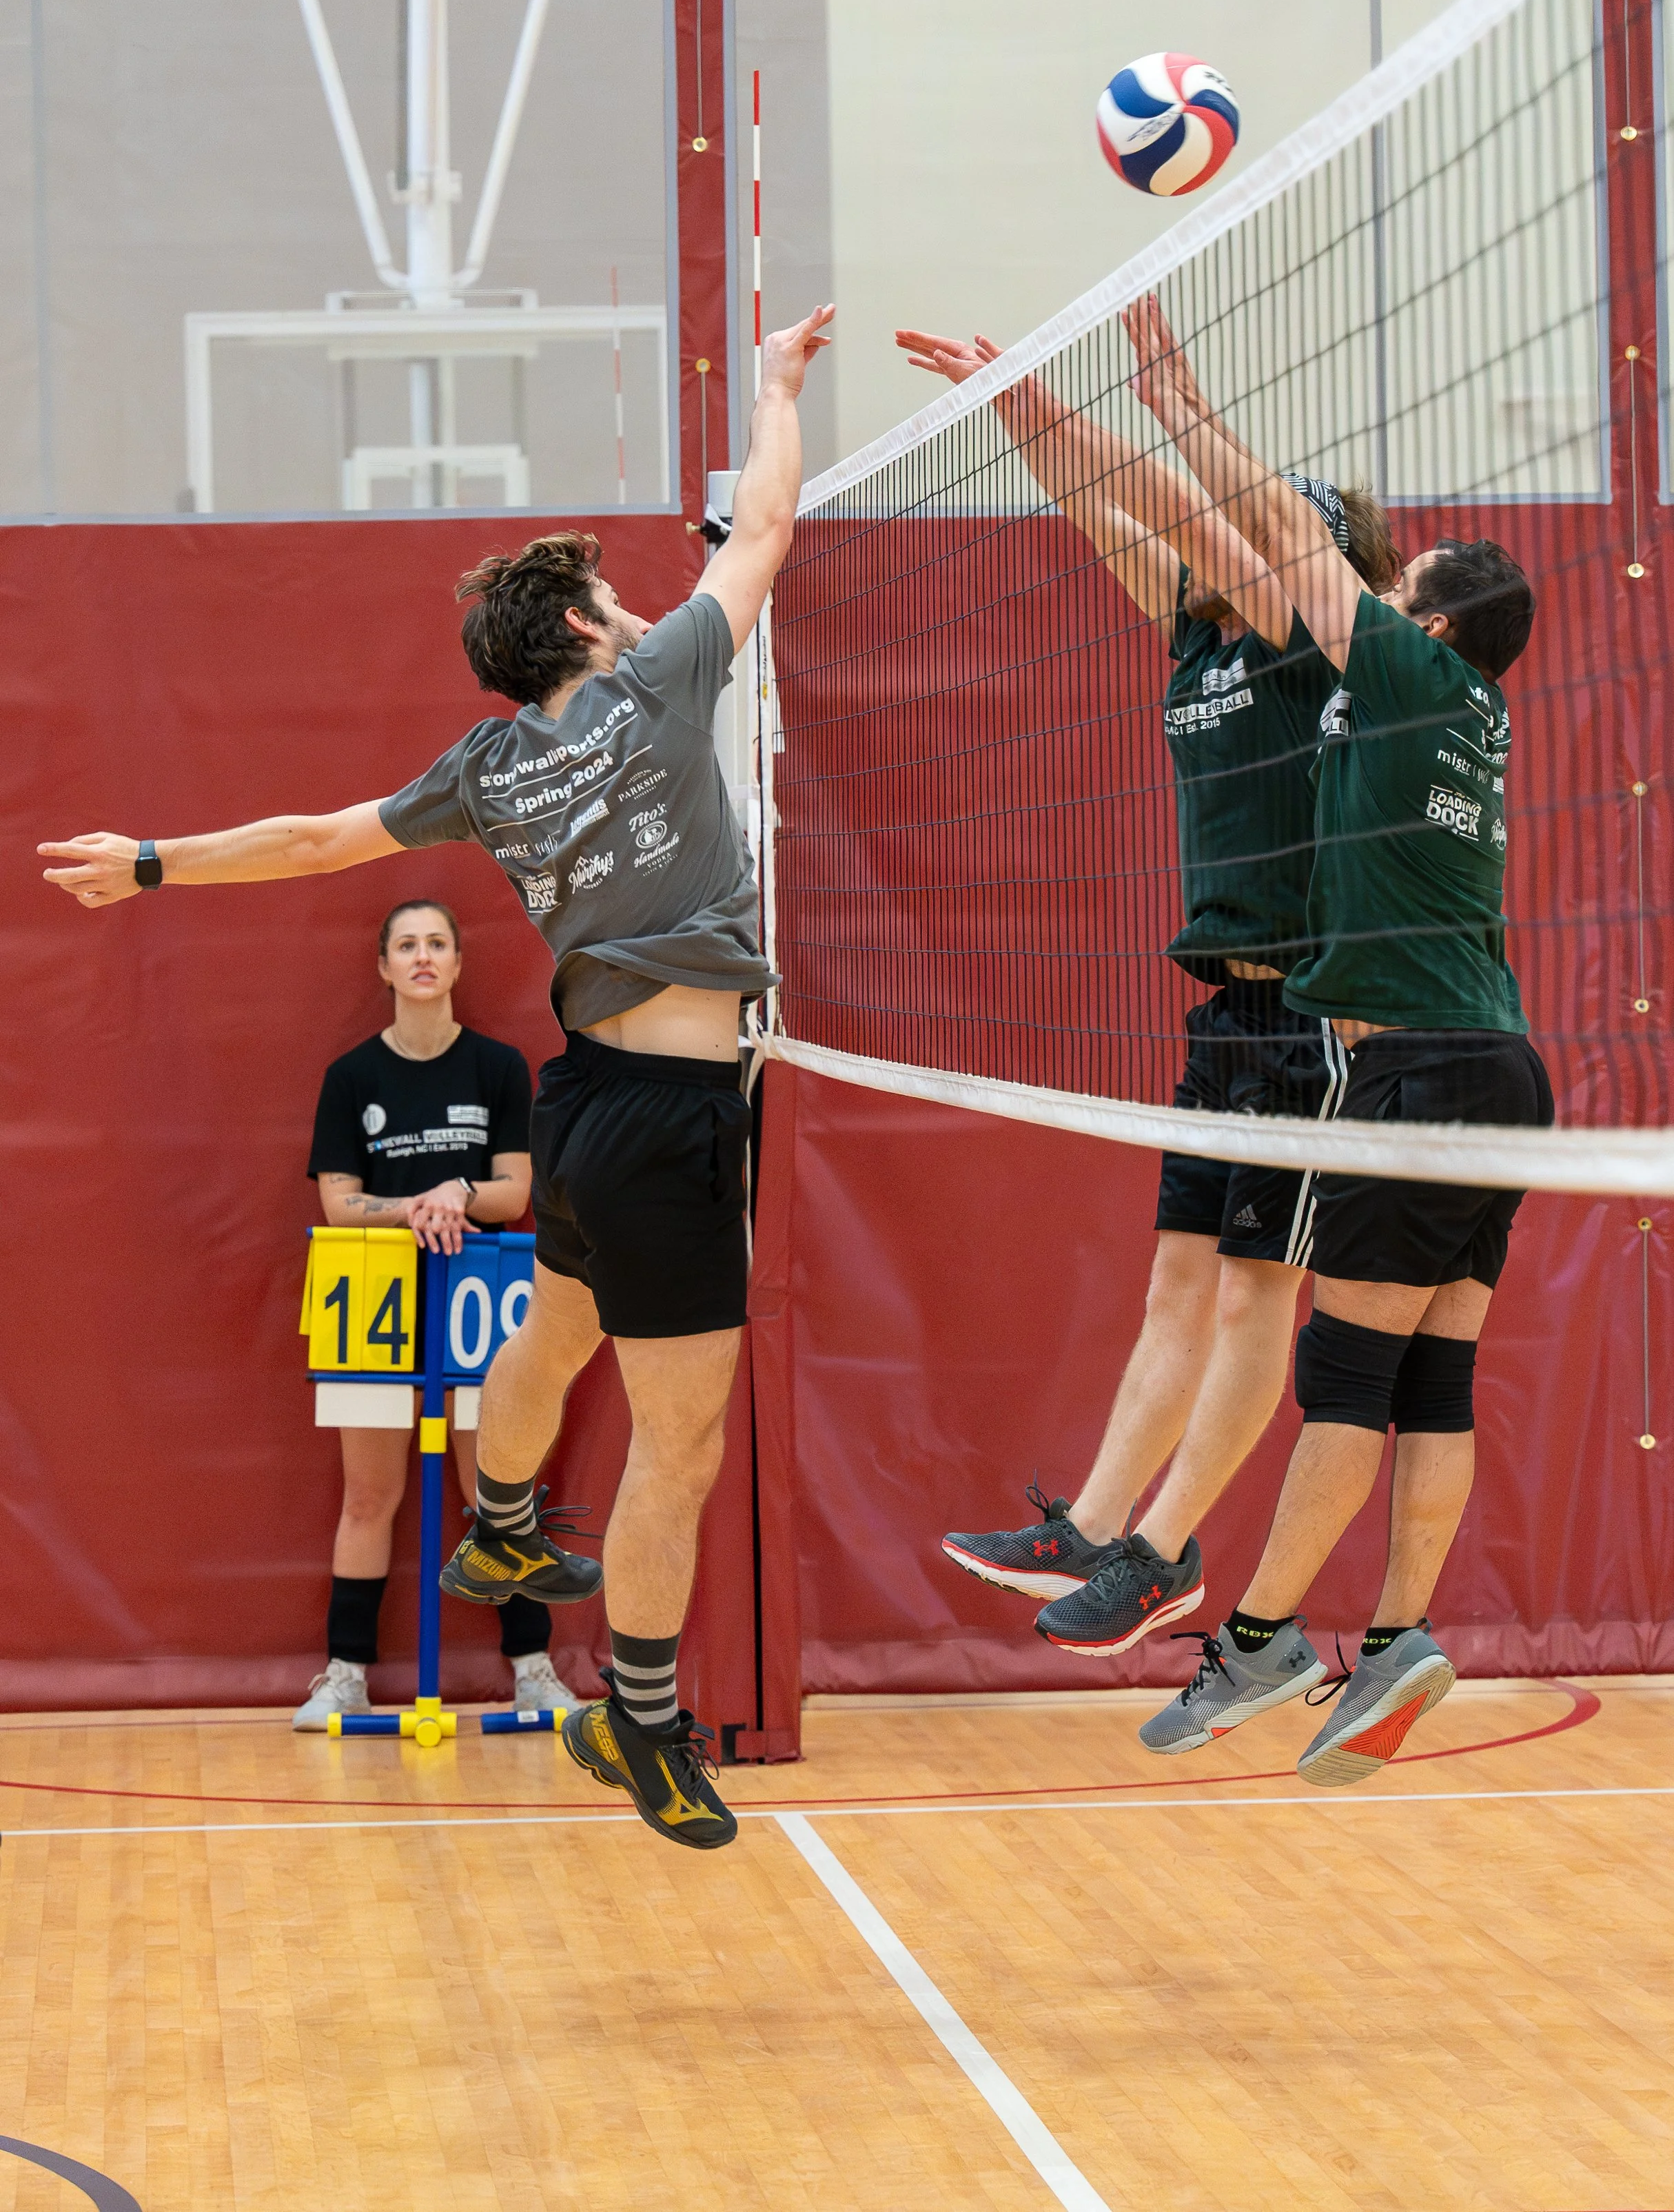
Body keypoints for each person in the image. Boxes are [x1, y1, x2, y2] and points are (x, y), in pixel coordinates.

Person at [41, 305, 833, 1852]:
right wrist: (779, 387)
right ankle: (645, 1713)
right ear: (596, 630)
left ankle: (501, 1524)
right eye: (614, 596)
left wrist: (147, 861)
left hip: (580, 1099)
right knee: (683, 1441)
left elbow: (313, 842)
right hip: (668, 1115)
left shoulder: (482, 767)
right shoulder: (660, 681)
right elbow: (769, 522)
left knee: (554, 1328)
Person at [895, 318, 1401, 1657]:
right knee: (1176, 1279)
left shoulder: (1310, 640)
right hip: (1225, 1015)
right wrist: (1016, 405)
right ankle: (1095, 1519)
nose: (1216, 537)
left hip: (1311, 1011)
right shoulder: (1196, 636)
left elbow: (1186, 497)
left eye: (1253, 521)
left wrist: (1167, 407)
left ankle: (1162, 1554)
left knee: (1251, 1295)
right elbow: (1092, 502)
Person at [1121, 303, 1548, 1783]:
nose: (1374, 585)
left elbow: (1291, 550)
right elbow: (1270, 565)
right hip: (1499, 1069)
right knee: (1431, 1381)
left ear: (1423, 621)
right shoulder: (1467, 709)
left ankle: (1256, 1637)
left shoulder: (1412, 676)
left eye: (1400, 583)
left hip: (1412, 1070)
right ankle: (1405, 1632)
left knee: (1341, 1381)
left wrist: (1177, 402)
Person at [293, 897, 575, 1732]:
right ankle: (344, 1672)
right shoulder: (351, 1078)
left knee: (498, 1491)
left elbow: (516, 1191)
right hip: (371, 1289)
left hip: (478, 1289)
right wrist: (418, 1204)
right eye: (406, 945)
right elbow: (341, 1205)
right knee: (368, 1491)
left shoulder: (495, 1066)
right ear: (383, 967)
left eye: (437, 943)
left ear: (456, 964)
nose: (422, 956)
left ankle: (532, 1667)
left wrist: (457, 1192)